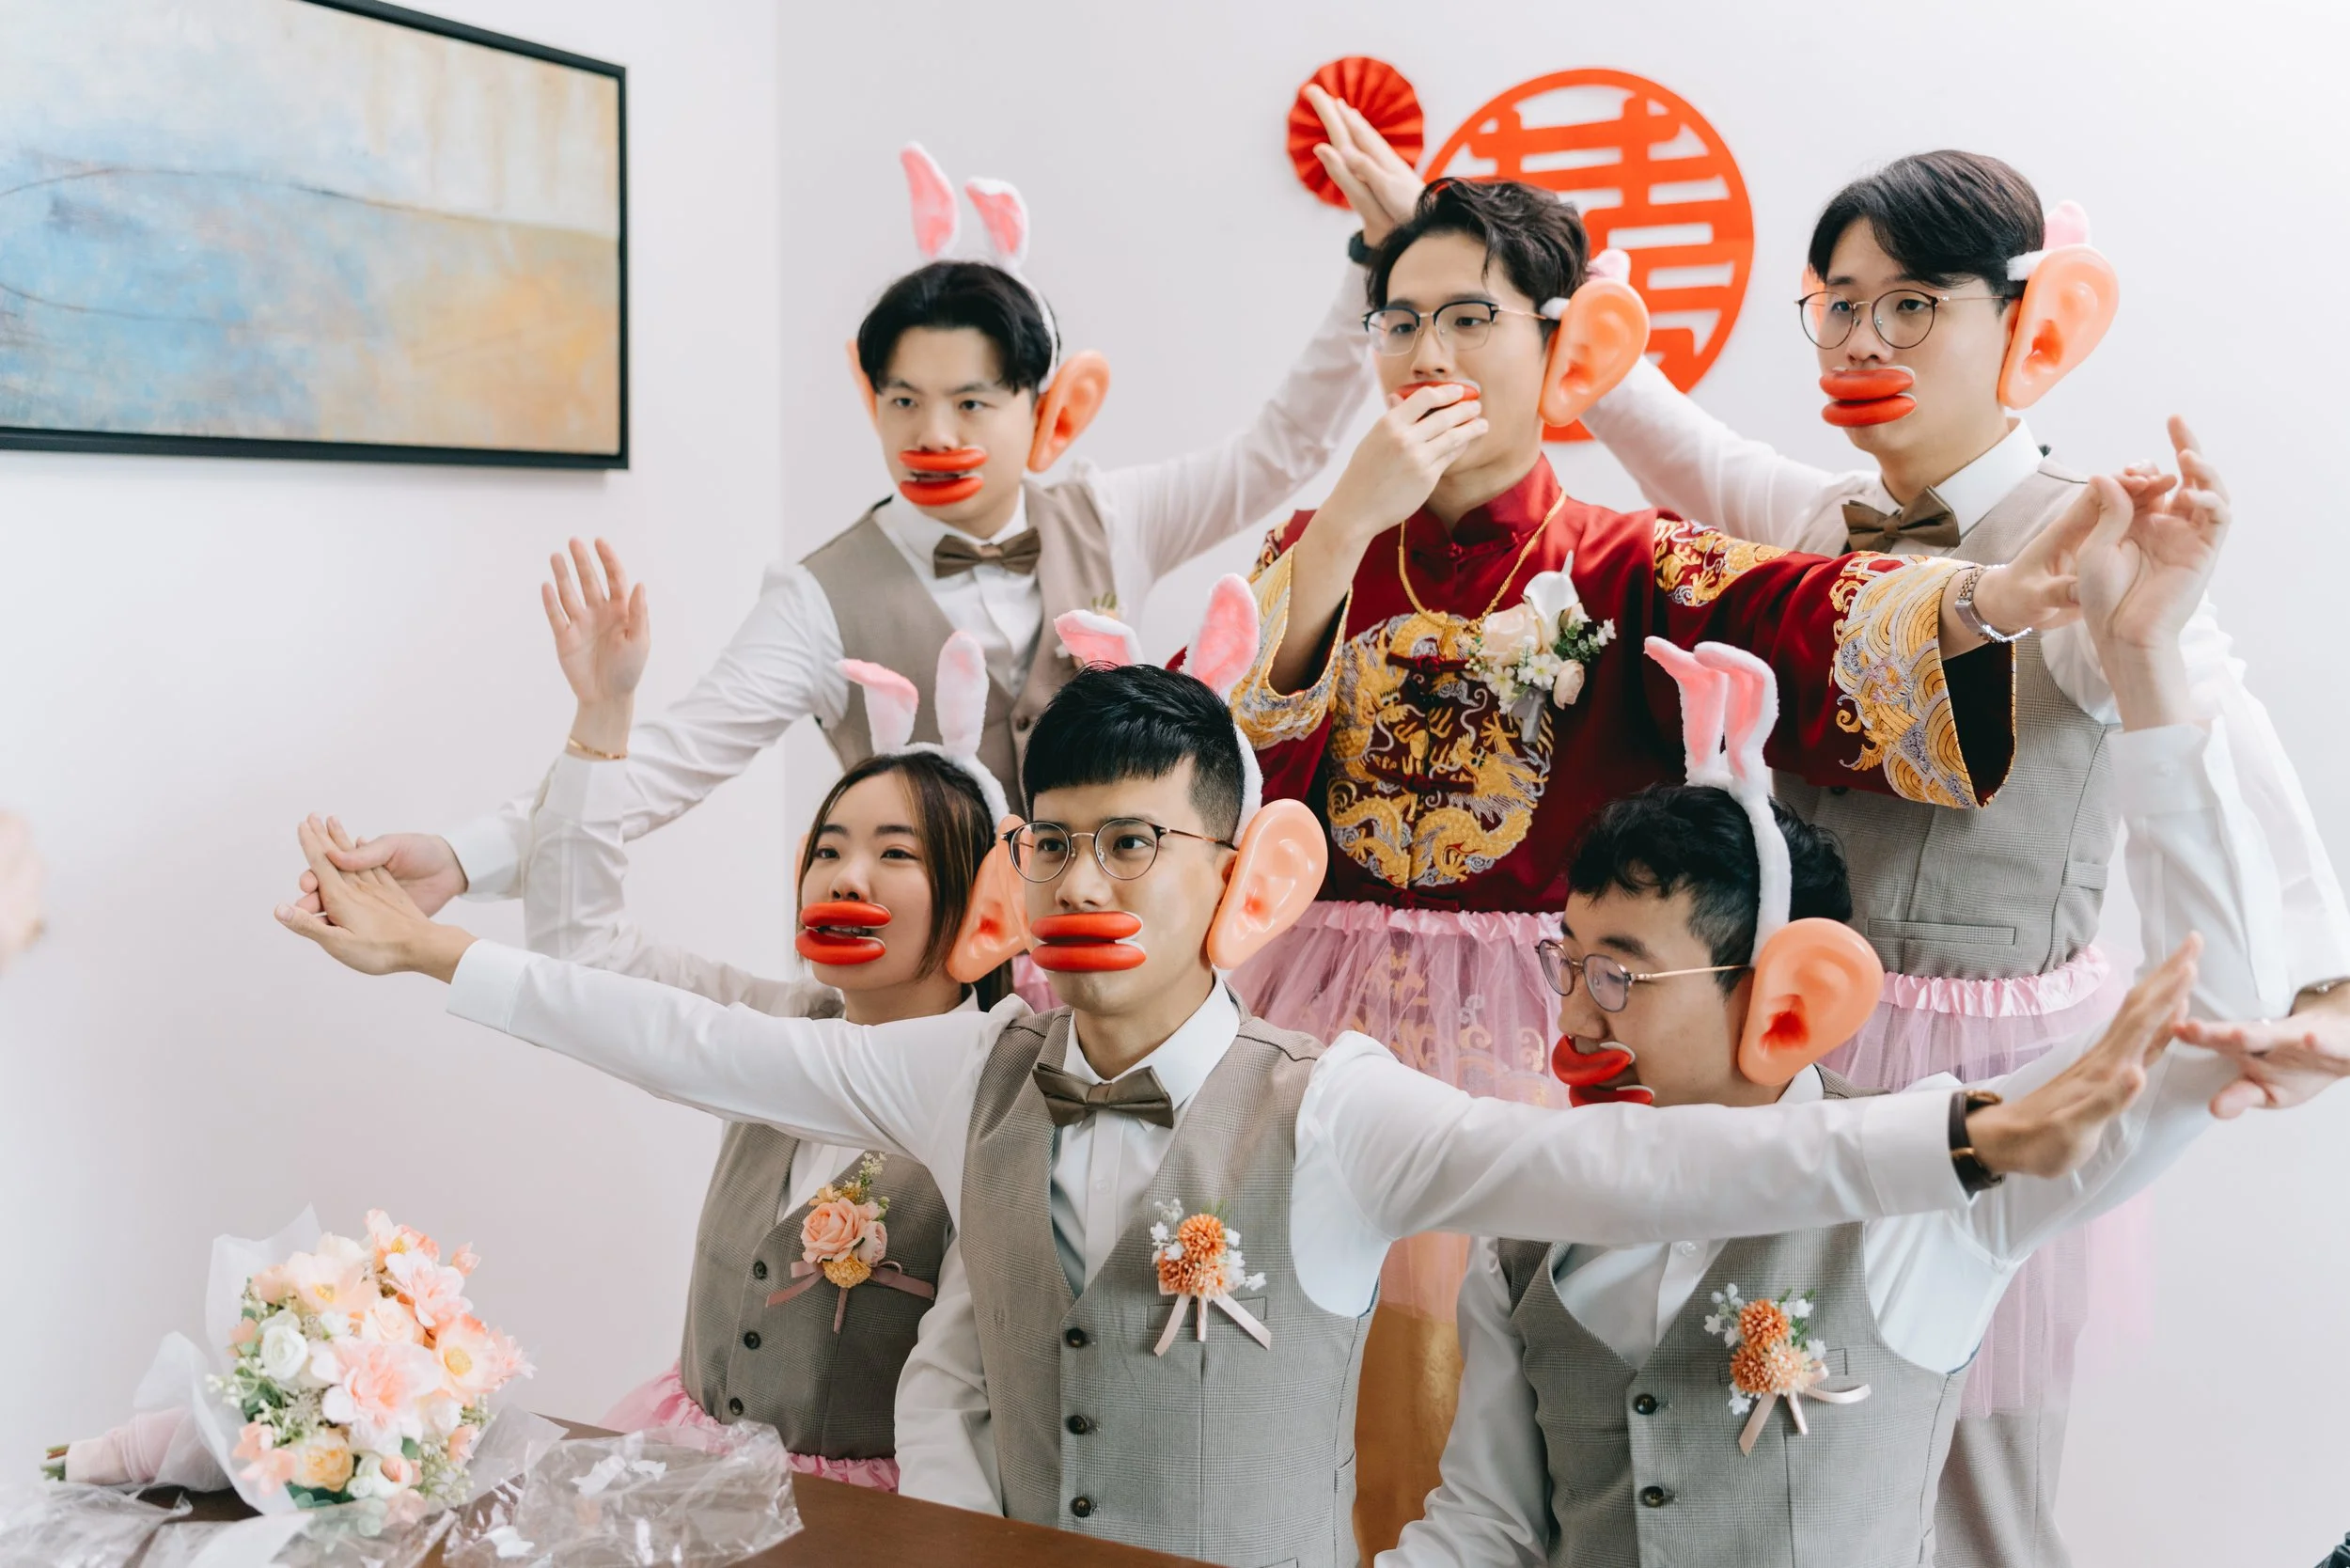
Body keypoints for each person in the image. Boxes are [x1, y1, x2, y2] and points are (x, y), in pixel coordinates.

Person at [278, 581, 2205, 1568]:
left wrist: (1957, 1133)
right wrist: (440, 951)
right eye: (1057, 845)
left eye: (1137, 845)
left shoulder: (1339, 1109)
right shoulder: (965, 1069)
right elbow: (691, 1038)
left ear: (1236, 879)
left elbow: (1641, 1176)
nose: (1088, 884)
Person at [1221, 160, 2084, 1548]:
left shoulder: (1628, 561)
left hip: (1551, 1027)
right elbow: (1222, 776)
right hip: (1326, 1031)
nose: (1429, 354)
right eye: (1401, 321)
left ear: (1559, 345)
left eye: (1472, 319)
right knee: (1295, 1388)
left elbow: (1804, 613)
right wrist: (1339, 529)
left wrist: (1981, 602)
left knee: (1500, 1422)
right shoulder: (1312, 551)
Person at [1574, 149, 2350, 1565]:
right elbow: (1685, 453)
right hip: (1779, 1062)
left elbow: (2225, 752)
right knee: (1768, 1445)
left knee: (1976, 1491)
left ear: (2027, 323)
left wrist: (2319, 988)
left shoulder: (2101, 542)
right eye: (1838, 303)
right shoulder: (1817, 523)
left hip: (1991, 1075)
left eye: (1913, 304)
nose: (1862, 341)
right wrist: (1531, 305)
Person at [1385, 455, 2342, 1564]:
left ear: (1787, 1004)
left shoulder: (1932, 1184)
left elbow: (2209, 1013)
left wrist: (2142, 656)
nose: (1576, 1029)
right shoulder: (1525, 1236)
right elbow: (1491, 1526)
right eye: (1569, 967)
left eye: (1620, 979)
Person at [290, 141, 1379, 920]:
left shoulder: (1109, 515)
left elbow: (1280, 450)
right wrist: (462, 857)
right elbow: (666, 763)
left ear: (1039, 406)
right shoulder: (816, 596)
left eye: (970, 401)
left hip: (1114, 955)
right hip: (914, 978)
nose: (932, 432)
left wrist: (1368, 268)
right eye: (903, 400)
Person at [518, 541, 1017, 1488]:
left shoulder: (1000, 1093)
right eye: (827, 849)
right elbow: (582, 954)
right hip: (688, 1476)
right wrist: (602, 718)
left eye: (895, 854)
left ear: (980, 901)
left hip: (874, 1517)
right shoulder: (765, 1023)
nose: (845, 878)